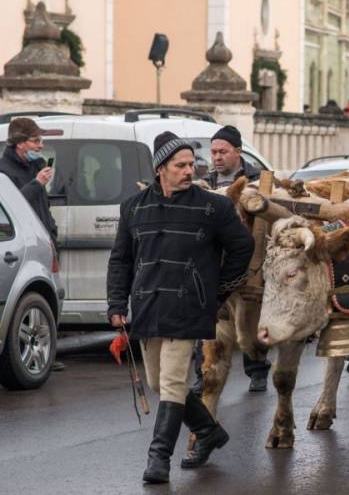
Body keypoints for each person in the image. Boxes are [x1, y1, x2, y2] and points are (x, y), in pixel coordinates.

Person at [107, 132, 253, 484]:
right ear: (161, 169)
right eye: (180, 165)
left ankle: (158, 460)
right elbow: (121, 259)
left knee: (173, 381)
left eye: (192, 164)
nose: (189, 171)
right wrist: (116, 303)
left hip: (190, 307)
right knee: (159, 382)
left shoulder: (213, 207)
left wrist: (216, 291)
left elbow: (242, 247)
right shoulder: (133, 207)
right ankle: (209, 431)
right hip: (147, 306)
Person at [199, 125, 270, 394]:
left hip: (250, 259)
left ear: (238, 152)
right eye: (213, 152)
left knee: (249, 316)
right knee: (211, 317)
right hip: (215, 258)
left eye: (223, 151)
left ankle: (257, 370)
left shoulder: (258, 179)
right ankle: (204, 370)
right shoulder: (206, 180)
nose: (217, 157)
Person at [0, 117, 57, 240]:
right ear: (19, 143)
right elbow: (11, 207)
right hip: (24, 243)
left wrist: (52, 230)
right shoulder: (3, 171)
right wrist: (37, 183)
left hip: (45, 241)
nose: (41, 146)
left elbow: (44, 207)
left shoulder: (35, 166)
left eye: (41, 141)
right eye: (36, 141)